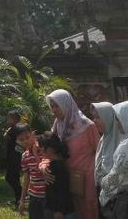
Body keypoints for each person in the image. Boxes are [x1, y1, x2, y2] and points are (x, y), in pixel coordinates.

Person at [46, 89, 100, 219]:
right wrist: (44, 167)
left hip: (87, 177)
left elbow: (99, 151)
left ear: (66, 104)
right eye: (52, 106)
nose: (54, 110)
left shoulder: (87, 126)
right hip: (66, 176)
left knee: (88, 210)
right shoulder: (58, 125)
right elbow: (50, 150)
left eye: (56, 106)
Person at [39, 133, 76, 219]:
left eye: (42, 148)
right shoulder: (56, 164)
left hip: (60, 211)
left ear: (50, 149)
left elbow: (61, 190)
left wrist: (59, 211)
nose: (40, 151)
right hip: (57, 209)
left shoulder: (57, 167)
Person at [91, 102, 120, 204]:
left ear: (108, 118)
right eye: (93, 117)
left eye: (98, 117)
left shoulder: (121, 141)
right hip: (103, 195)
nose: (94, 121)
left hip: (118, 198)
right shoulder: (103, 139)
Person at [16, 125, 45, 219]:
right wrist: (22, 200)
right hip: (34, 196)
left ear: (32, 134)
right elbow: (26, 179)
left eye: (27, 137)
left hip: (48, 195)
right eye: (21, 140)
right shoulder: (25, 156)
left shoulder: (43, 150)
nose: (25, 141)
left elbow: (46, 170)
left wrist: (36, 154)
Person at [3, 109, 23, 207]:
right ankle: (18, 199)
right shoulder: (18, 128)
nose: (7, 120)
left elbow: (6, 137)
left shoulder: (15, 129)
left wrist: (6, 134)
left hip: (14, 157)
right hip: (16, 156)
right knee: (15, 178)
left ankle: (22, 193)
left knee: (9, 178)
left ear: (14, 119)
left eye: (9, 119)